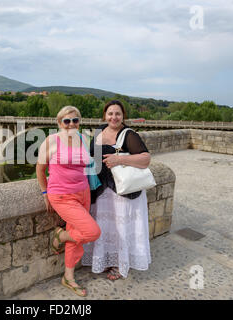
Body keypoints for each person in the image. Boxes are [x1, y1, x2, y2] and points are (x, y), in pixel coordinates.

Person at [82, 100, 152, 280]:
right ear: (105, 115)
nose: (114, 117)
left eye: (118, 114)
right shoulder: (98, 131)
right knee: (106, 227)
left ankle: (120, 265)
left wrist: (119, 159)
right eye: (110, 113)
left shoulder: (129, 135)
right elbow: (90, 157)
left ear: (123, 116)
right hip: (101, 191)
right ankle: (106, 260)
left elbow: (145, 159)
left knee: (120, 229)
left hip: (123, 192)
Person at [36, 105, 101, 297]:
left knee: (77, 234)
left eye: (75, 120)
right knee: (92, 232)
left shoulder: (83, 138)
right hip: (62, 196)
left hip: (83, 193)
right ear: (59, 123)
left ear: (79, 123)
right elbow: (40, 169)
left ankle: (68, 278)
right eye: (66, 121)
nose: (71, 124)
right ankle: (60, 236)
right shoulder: (51, 141)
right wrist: (44, 193)